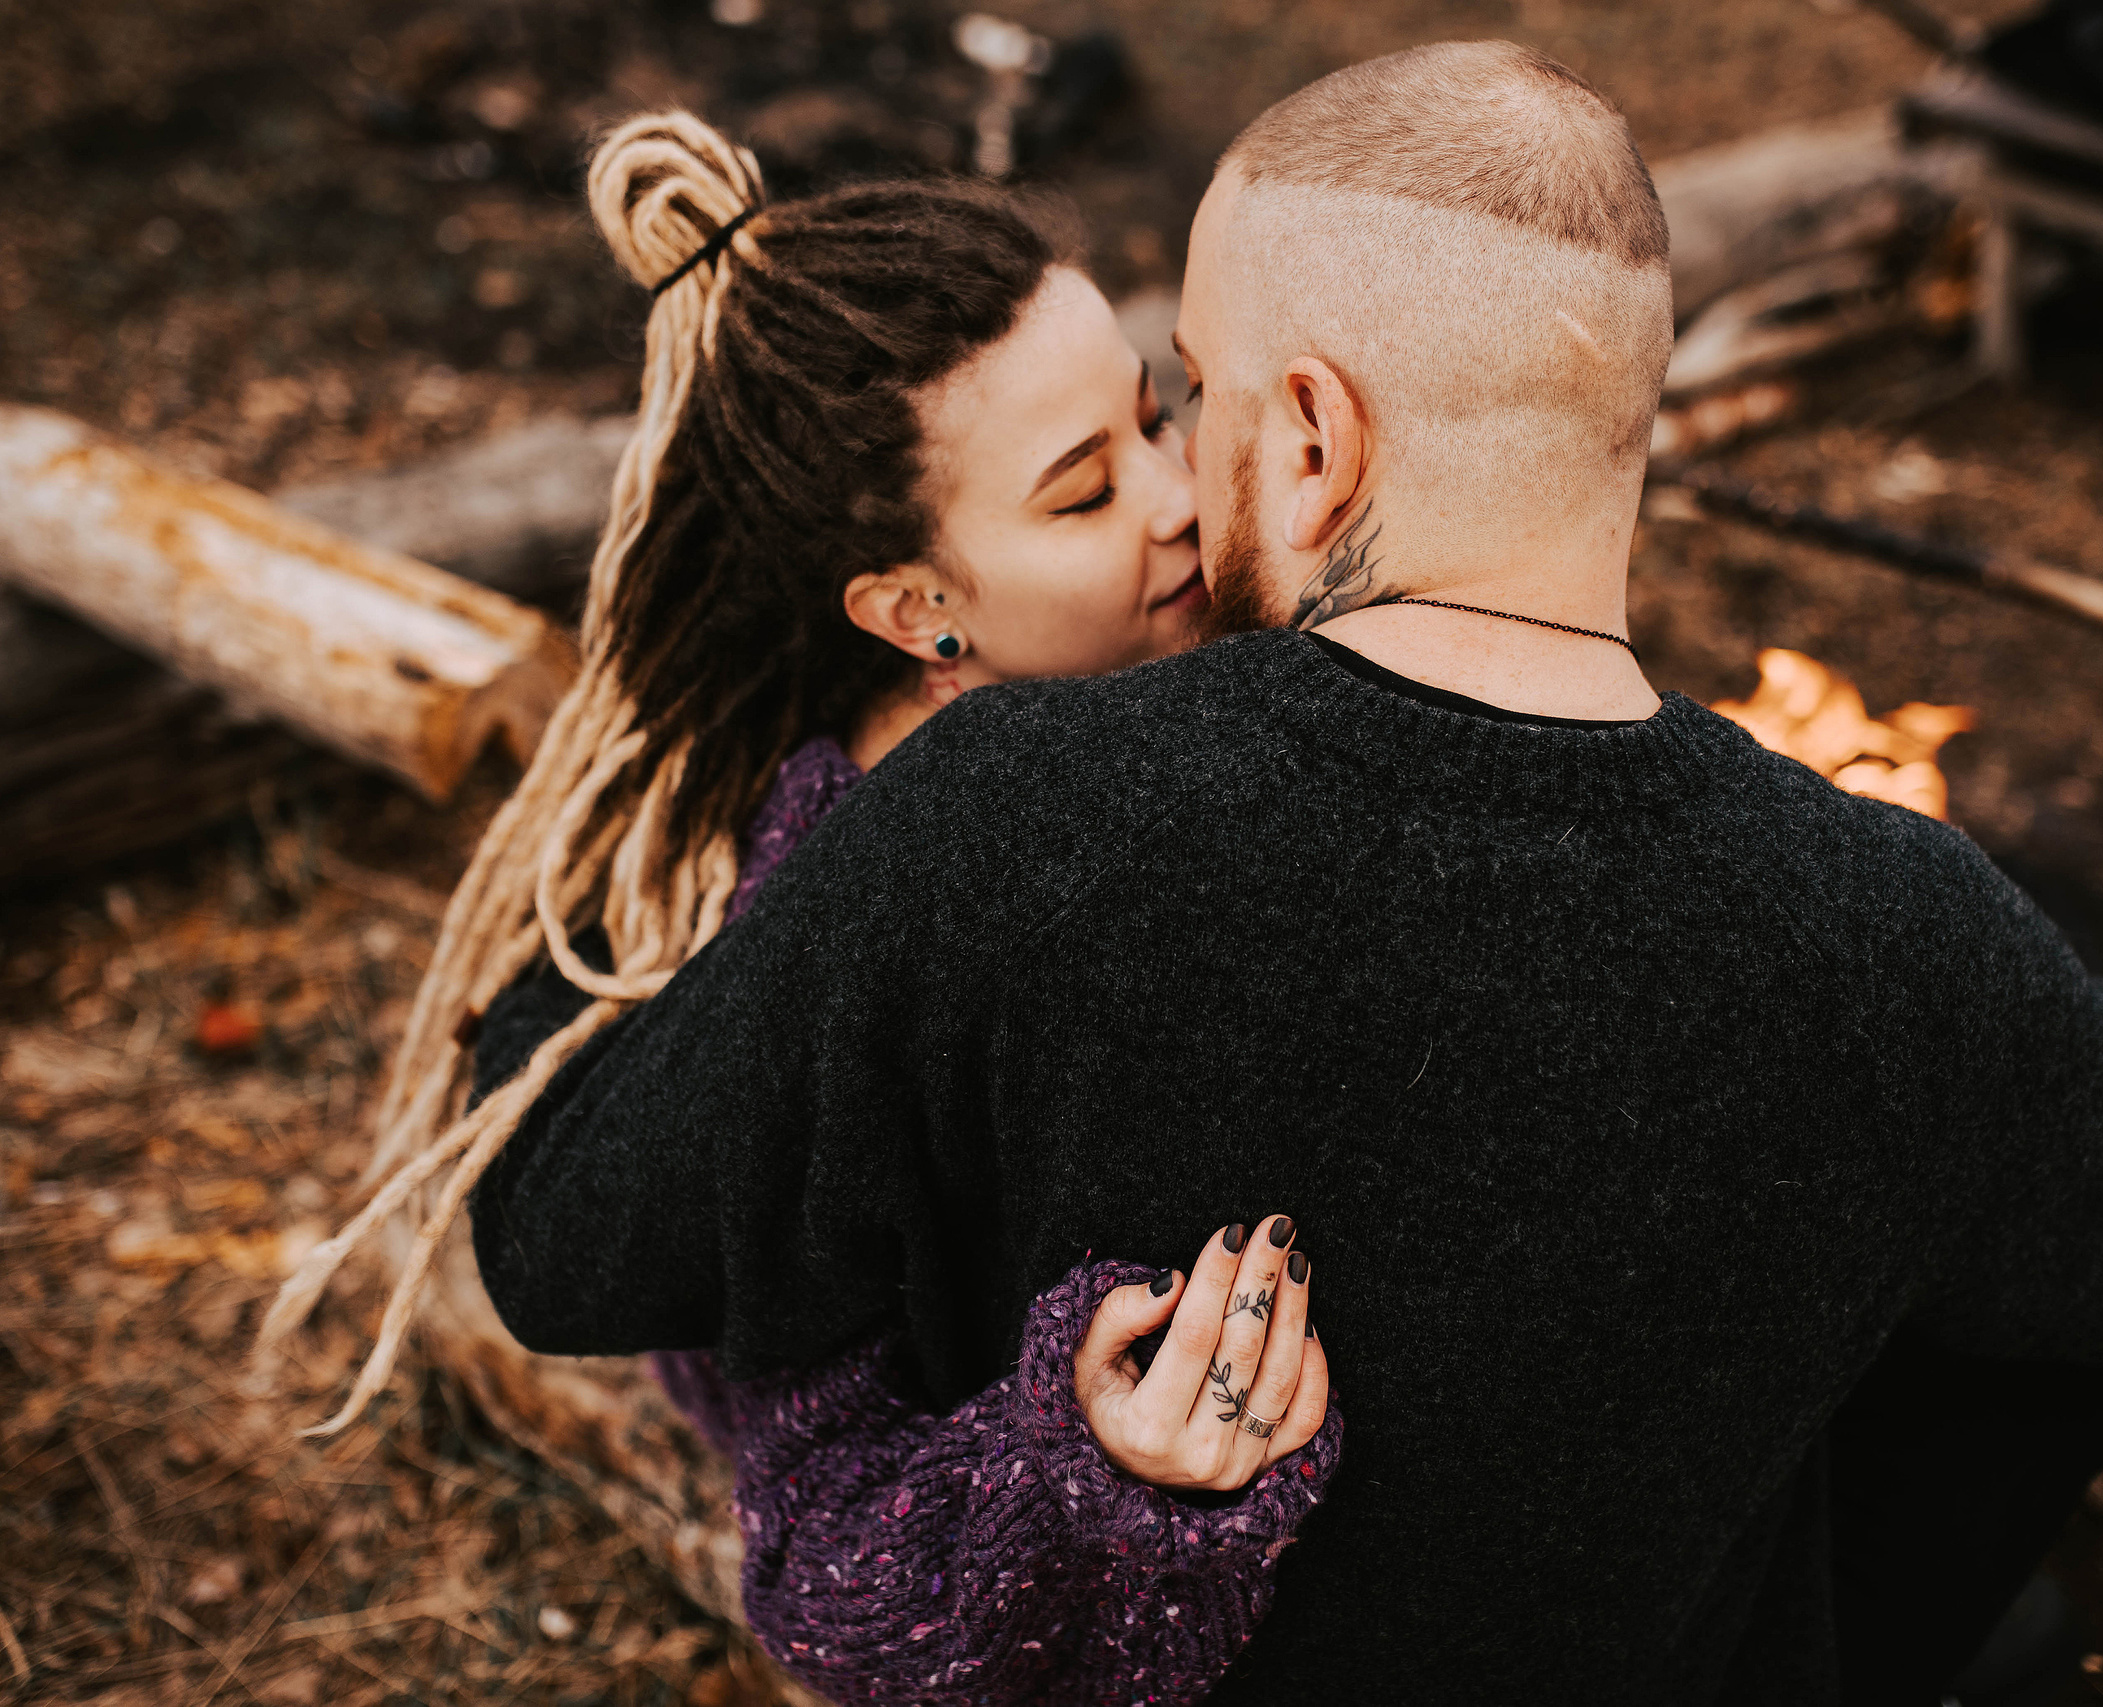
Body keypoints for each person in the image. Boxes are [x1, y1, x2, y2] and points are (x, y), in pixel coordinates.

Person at [466, 42, 2103, 1705]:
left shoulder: (996, 821)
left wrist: (572, 926)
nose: (1183, 479)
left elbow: (560, 1240)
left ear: (1318, 436)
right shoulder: (1913, 935)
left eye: (1190, 393)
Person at [255, 113, 1341, 1706]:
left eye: (1155, 418)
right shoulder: (829, 966)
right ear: (917, 610)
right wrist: (1082, 1451)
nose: (1182, 499)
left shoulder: (1141, 711)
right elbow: (832, 1569)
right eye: (1082, 493)